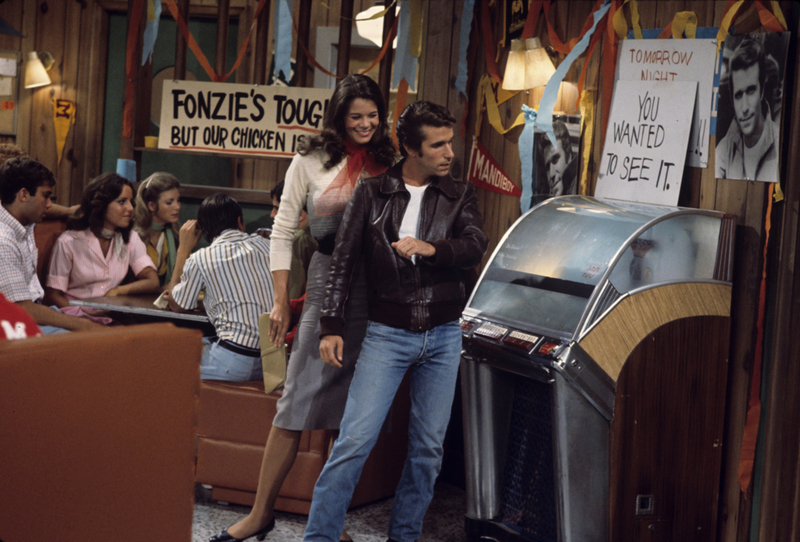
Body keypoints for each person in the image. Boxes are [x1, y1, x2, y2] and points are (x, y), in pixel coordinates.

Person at [211, 73, 396, 542]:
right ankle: (260, 513)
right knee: (294, 403)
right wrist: (279, 302)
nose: (365, 124)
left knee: (348, 412)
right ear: (338, 116)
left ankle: (328, 518)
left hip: (377, 292)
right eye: (356, 116)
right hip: (326, 283)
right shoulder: (310, 160)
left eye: (373, 116)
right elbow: (281, 229)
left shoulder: (391, 161)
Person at [303, 101, 488, 542]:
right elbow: (342, 262)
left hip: (444, 336)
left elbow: (475, 244)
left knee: (427, 450)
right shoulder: (371, 193)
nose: (449, 153)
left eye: (450, 143)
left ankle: (403, 537)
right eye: (438, 145)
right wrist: (331, 324)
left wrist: (432, 249)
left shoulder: (459, 194)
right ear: (410, 148)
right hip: (387, 335)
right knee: (354, 444)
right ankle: (319, 538)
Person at [165, 194, 274, 382]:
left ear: (205, 231)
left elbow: (177, 305)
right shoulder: (267, 246)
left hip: (232, 361)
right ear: (240, 222)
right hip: (270, 362)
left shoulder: (201, 257)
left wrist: (183, 249)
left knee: (166, 361)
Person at [0, 157, 103, 333]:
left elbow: (45, 209)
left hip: (37, 311)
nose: (49, 205)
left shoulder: (22, 219)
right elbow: (21, 308)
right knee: (88, 341)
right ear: (24, 195)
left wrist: (69, 211)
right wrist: (85, 326)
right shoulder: (3, 241)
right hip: (16, 321)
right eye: (46, 196)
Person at [44, 172, 160, 321]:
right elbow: (53, 296)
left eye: (131, 202)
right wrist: (81, 314)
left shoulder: (130, 238)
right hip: (73, 316)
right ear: (101, 205)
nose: (130, 208)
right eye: (122, 201)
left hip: (109, 316)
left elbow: (152, 281)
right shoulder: (69, 242)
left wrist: (118, 290)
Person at [715, 36, 780, 182]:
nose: (744, 108)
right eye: (738, 95)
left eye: (751, 91)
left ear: (762, 90)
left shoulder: (780, 144)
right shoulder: (725, 148)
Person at [270, 180, 318, 301]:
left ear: (300, 215)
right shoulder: (320, 234)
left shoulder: (297, 240)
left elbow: (293, 294)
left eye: (277, 209)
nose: (272, 215)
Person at [133, 172, 182, 287]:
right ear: (151, 206)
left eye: (178, 200)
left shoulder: (174, 235)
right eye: (169, 202)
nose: (177, 206)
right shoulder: (134, 236)